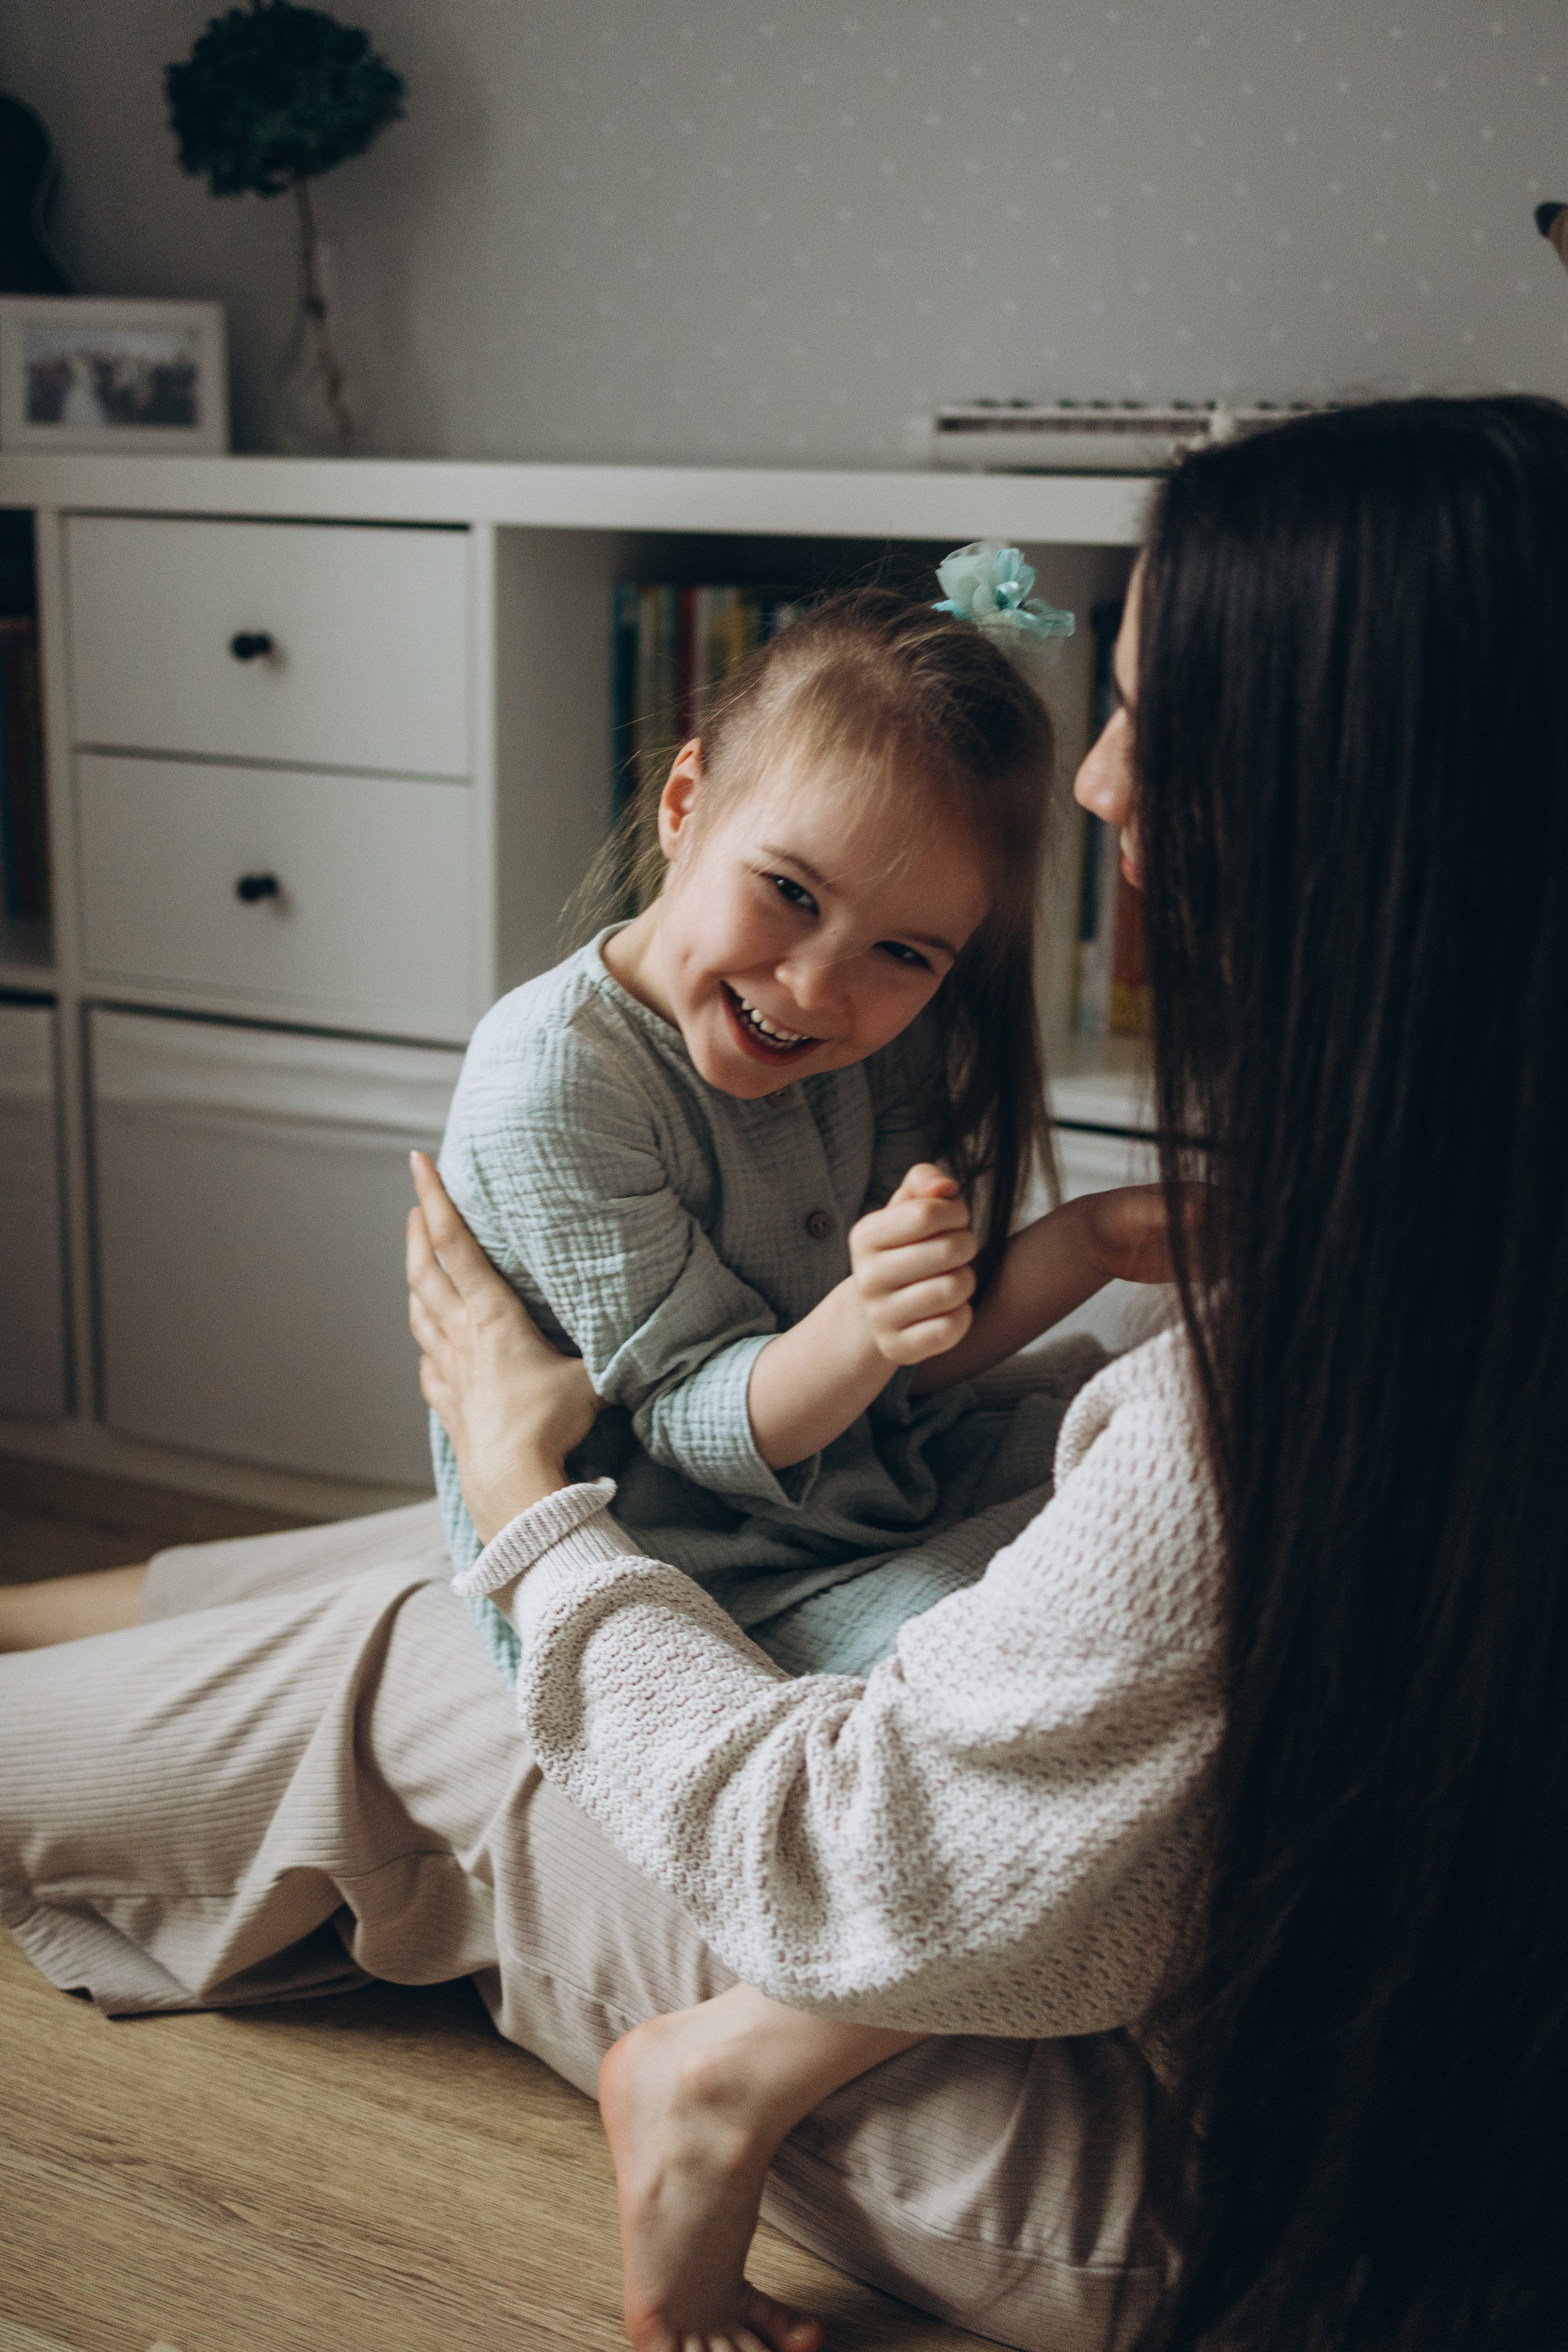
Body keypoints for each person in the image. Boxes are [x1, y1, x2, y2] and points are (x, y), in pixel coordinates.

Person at [5, 394, 1566, 2352]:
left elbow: (913, 1860)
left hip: (1237, 2185)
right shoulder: (1471, 1237)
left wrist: (524, 1498)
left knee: (441, 1636)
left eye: (1156, 724)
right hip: (1354, 2083)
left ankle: (694, 2051)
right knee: (453, 1570)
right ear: (683, 806)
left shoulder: (1248, 1414)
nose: (1094, 783)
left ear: (1364, 805)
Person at [433, 568, 1164, 1698]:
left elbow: (905, 1367)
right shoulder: (555, 1081)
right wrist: (870, 1320)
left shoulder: (879, 1047)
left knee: (1151, 1511)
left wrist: (1100, 1239)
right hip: (692, 1581)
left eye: (906, 954)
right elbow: (701, 1420)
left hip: (868, 1494)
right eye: (791, 892)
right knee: (1030, 1653)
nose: (820, 988)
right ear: (686, 806)